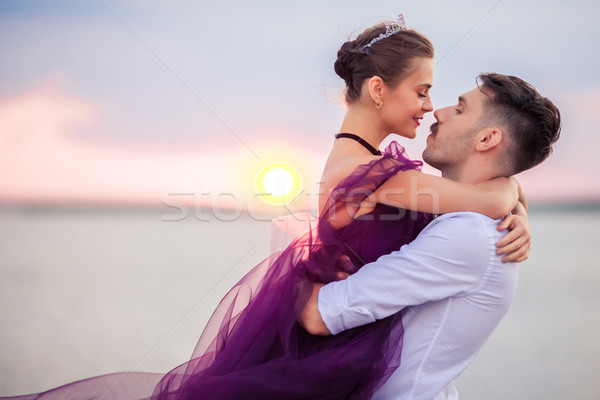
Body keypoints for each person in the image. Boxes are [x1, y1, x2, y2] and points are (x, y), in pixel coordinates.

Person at [2, 16, 530, 400]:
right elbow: (483, 197)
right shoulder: (370, 174)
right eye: (422, 90)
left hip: (350, 336)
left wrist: (515, 206)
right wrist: (511, 199)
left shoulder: (372, 165)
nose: (427, 106)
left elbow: (467, 200)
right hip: (333, 345)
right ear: (376, 90)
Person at [299, 72, 561, 399]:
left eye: (460, 109)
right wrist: (514, 198)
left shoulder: (468, 235)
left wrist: (282, 277)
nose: (438, 111)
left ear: (487, 139)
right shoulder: (467, 220)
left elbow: (321, 314)